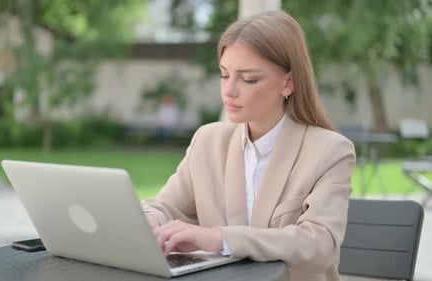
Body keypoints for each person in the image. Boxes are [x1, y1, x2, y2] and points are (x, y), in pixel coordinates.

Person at [142, 10, 355, 281]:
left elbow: (319, 245)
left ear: (288, 82)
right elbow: (164, 207)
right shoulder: (208, 141)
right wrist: (149, 221)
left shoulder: (330, 151)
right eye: (224, 74)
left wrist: (220, 238)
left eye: (248, 79)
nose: (229, 90)